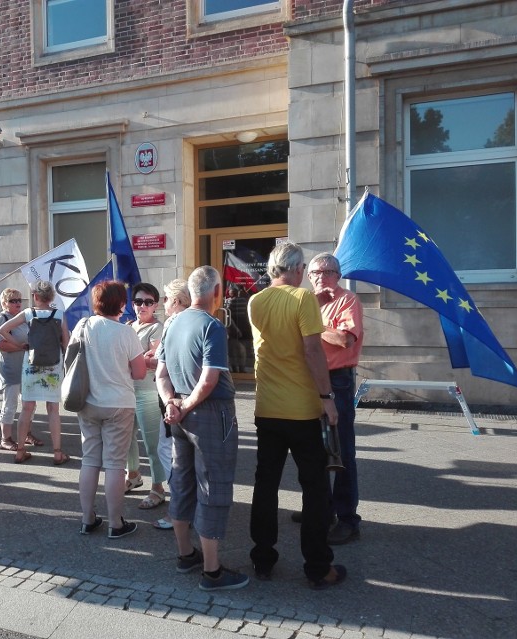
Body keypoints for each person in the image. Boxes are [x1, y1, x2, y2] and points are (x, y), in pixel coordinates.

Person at [247, 242, 346, 590]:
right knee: (315, 489)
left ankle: (262, 558)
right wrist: (327, 397)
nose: (305, 272)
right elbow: (312, 349)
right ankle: (318, 566)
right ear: (296, 268)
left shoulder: (255, 300)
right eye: (304, 267)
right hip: (302, 409)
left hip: (267, 407)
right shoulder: (303, 298)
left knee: (265, 485)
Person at [155, 266, 248, 591]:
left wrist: (172, 404)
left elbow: (161, 374)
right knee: (214, 487)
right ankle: (212, 572)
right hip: (210, 414)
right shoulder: (212, 325)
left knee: (182, 482)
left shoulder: (173, 323)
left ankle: (185, 555)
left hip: (180, 412)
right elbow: (209, 379)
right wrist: (186, 405)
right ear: (217, 292)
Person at [73, 280, 146, 539]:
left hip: (87, 401)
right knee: (115, 464)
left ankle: (87, 519)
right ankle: (116, 523)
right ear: (122, 304)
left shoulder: (82, 326)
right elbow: (138, 372)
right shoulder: (126, 333)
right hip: (118, 403)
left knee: (90, 460)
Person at [307, 252, 364, 545]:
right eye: (316, 272)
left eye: (328, 271)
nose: (321, 277)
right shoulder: (306, 302)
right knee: (315, 449)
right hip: (310, 380)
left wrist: (313, 325)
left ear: (338, 275)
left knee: (341, 449)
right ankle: (323, 509)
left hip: (338, 380)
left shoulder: (348, 301)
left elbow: (345, 339)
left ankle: (347, 518)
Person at [0, 280, 70, 465]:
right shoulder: (59, 315)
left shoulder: (28, 313)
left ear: (35, 297)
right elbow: (66, 343)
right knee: (53, 409)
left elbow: (2, 330)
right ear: (51, 297)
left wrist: (19, 345)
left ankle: (20, 451)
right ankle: (57, 452)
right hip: (53, 366)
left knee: (27, 408)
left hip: (31, 364)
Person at [150, 278, 190, 531]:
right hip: (190, 393)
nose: (164, 304)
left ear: (176, 301)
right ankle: (188, 504)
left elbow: (161, 363)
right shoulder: (198, 318)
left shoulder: (173, 322)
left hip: (171, 394)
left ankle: (178, 508)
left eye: (166, 298)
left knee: (168, 451)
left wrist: (150, 356)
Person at [124, 283, 166, 511]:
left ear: (155, 305)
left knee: (152, 443)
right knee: (127, 438)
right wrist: (140, 357)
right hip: (127, 390)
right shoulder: (129, 326)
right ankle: (133, 475)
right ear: (133, 304)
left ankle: (158, 488)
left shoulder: (157, 329)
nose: (142, 306)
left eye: (148, 302)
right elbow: (143, 359)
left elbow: (155, 361)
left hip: (148, 391)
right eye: (138, 301)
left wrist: (134, 358)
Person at [0, 288, 44, 451]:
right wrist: (21, 347)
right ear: (4, 303)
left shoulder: (22, 319)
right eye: (13, 301)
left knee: (30, 403)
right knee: (10, 403)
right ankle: (5, 438)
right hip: (10, 368)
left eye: (19, 300)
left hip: (26, 368)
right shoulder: (3, 318)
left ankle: (27, 433)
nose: (17, 303)